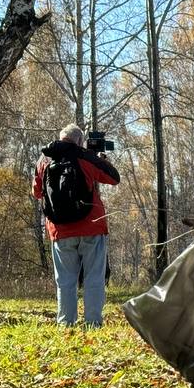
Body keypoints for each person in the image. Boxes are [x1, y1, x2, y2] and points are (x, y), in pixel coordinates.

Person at [32, 124, 121, 328]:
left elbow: (37, 193)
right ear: (80, 141)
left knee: (65, 280)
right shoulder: (84, 157)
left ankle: (66, 324)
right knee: (94, 278)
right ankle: (93, 323)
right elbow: (113, 178)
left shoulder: (45, 159)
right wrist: (99, 159)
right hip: (92, 226)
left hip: (60, 230)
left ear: (61, 138)